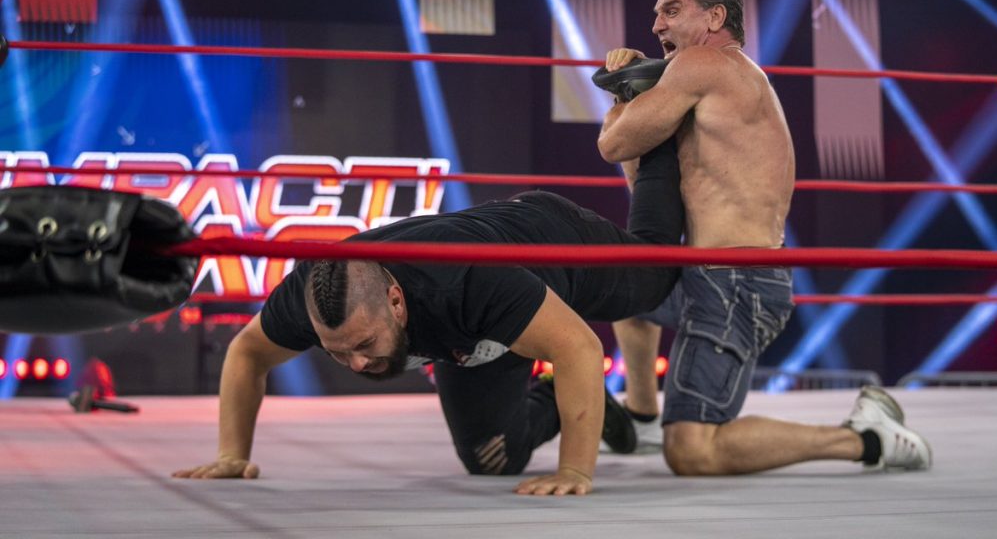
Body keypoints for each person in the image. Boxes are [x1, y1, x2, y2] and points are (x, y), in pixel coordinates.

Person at [173, 139, 685, 495]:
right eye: (338, 353)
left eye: (364, 344)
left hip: (553, 244)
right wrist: (232, 455)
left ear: (397, 302)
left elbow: (580, 347)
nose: (356, 364)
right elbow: (247, 352)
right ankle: (567, 399)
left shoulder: (465, 281)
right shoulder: (314, 295)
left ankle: (660, 131)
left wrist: (575, 470)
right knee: (493, 462)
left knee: (658, 273)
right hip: (478, 334)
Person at [596, 0, 931, 473]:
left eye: (672, 10)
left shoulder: (704, 63)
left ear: (715, 18)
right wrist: (630, 94)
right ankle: (643, 415)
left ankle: (865, 437)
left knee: (691, 451)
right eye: (657, 14)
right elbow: (640, 179)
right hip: (709, 273)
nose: (657, 25)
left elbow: (613, 143)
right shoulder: (712, 85)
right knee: (626, 287)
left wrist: (623, 93)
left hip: (737, 281)